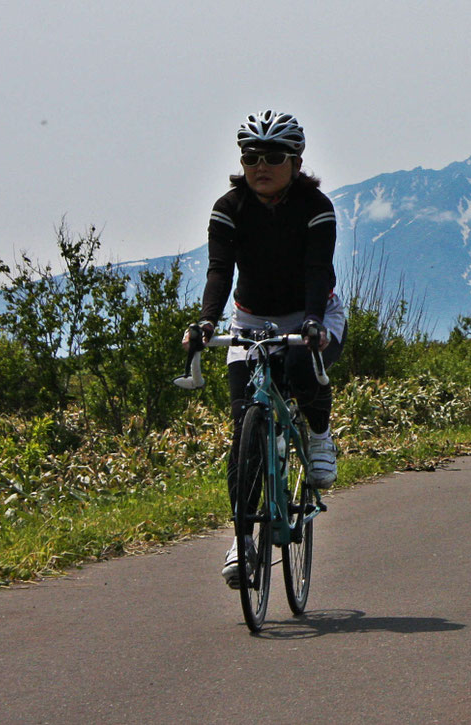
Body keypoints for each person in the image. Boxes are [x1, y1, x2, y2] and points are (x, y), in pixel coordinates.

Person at [184, 109, 344, 588]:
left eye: (274, 156)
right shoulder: (228, 207)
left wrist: (313, 319)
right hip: (249, 318)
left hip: (310, 314)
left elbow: (319, 269)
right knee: (244, 430)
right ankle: (243, 536)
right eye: (251, 156)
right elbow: (219, 270)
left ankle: (318, 435)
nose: (261, 165)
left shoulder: (315, 205)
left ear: (296, 162)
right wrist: (206, 321)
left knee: (301, 367)